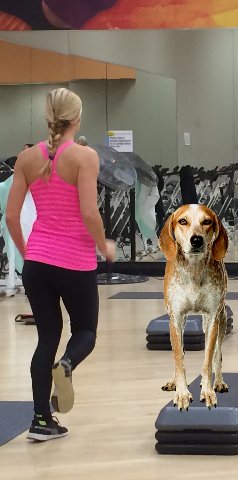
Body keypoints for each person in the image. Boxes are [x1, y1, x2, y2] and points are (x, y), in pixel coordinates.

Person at [6, 87, 115, 441]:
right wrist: (103, 245)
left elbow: (11, 217)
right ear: (77, 118)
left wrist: (28, 254)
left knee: (46, 338)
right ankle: (66, 364)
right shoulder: (84, 156)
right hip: (74, 263)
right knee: (85, 333)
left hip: (37, 263)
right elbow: (89, 212)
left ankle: (41, 420)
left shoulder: (25, 159)